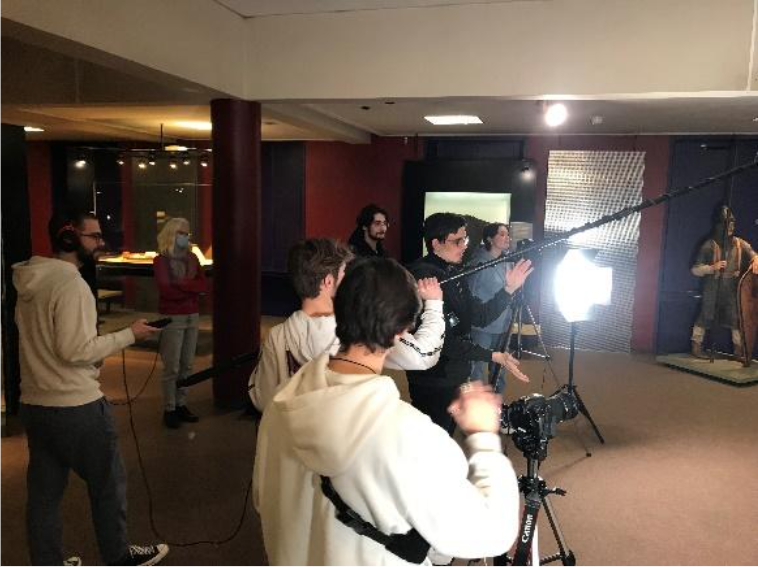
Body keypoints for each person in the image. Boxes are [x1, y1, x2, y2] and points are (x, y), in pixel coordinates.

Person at [253, 257, 520, 565]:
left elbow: (264, 499)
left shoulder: (281, 403)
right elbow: (491, 533)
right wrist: (484, 437)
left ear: (337, 309)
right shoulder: (410, 434)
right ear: (402, 332)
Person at [13, 212, 169, 566]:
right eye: (93, 236)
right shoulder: (70, 284)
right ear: (69, 239)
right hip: (76, 407)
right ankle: (118, 557)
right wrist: (131, 334)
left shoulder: (29, 280)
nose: (100, 243)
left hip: (36, 404)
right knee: (108, 486)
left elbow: (56, 345)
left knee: (43, 496)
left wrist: (90, 350)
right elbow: (76, 350)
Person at [248, 238, 445, 412]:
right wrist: (434, 303)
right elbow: (423, 356)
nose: (350, 278)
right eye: (344, 272)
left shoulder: (277, 335)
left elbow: (261, 399)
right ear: (327, 281)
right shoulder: (358, 327)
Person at [407, 213, 532, 434]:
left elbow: (480, 316)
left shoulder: (453, 271)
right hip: (433, 377)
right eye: (458, 241)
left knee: (446, 431)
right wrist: (492, 355)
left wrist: (508, 290)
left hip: (454, 372)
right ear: (436, 243)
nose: (464, 246)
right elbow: (444, 342)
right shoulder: (423, 278)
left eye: (465, 239)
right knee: (432, 436)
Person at [153, 218, 207, 428]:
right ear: (172, 234)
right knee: (172, 366)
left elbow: (203, 285)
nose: (185, 236)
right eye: (182, 233)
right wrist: (191, 287)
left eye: (187, 233)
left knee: (187, 364)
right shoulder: (161, 260)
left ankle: (181, 403)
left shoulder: (193, 258)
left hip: (192, 315)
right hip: (172, 317)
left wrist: (182, 284)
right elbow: (166, 290)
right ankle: (169, 408)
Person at [690, 205, 758, 359]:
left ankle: (740, 351)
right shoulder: (709, 245)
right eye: (727, 224)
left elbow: (753, 253)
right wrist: (711, 268)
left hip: (732, 289)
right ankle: (696, 346)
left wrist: (756, 259)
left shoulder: (740, 244)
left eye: (733, 224)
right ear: (719, 225)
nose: (731, 227)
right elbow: (695, 270)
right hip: (713, 287)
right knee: (706, 316)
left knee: (735, 319)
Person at [467, 223, 514, 392]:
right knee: (477, 372)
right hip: (483, 327)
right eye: (502, 234)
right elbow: (470, 296)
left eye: (507, 234)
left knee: (500, 371)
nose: (507, 237)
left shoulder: (508, 262)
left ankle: (497, 408)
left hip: (503, 325)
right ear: (489, 238)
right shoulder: (478, 263)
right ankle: (476, 413)